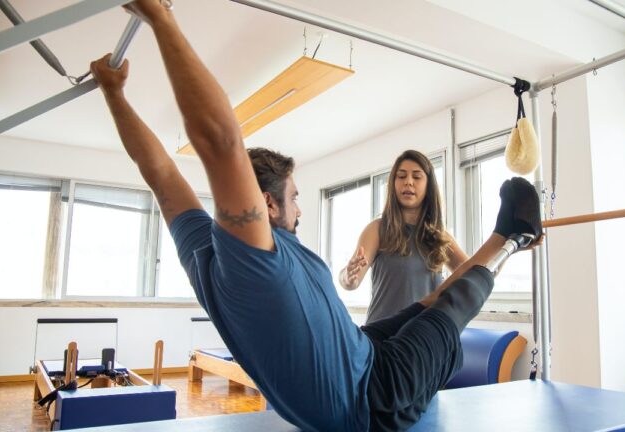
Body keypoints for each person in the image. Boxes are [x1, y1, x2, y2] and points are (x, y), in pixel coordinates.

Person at [90, 1, 542, 431]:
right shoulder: (251, 258)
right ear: (267, 205)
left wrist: (114, 94)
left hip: (363, 351)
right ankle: (511, 239)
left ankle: (505, 236)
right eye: (295, 197)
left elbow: (161, 173)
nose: (302, 209)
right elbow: (219, 140)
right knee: (450, 310)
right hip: (374, 400)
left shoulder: (201, 247)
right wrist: (160, 16)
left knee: (423, 306)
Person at [339, 150, 468, 323]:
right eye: (401, 176)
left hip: (423, 338)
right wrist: (347, 275)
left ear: (428, 185)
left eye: (416, 177)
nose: (408, 182)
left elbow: (477, 273)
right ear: (393, 183)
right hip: (384, 339)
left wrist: (507, 245)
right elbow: (350, 282)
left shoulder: (440, 237)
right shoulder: (377, 229)